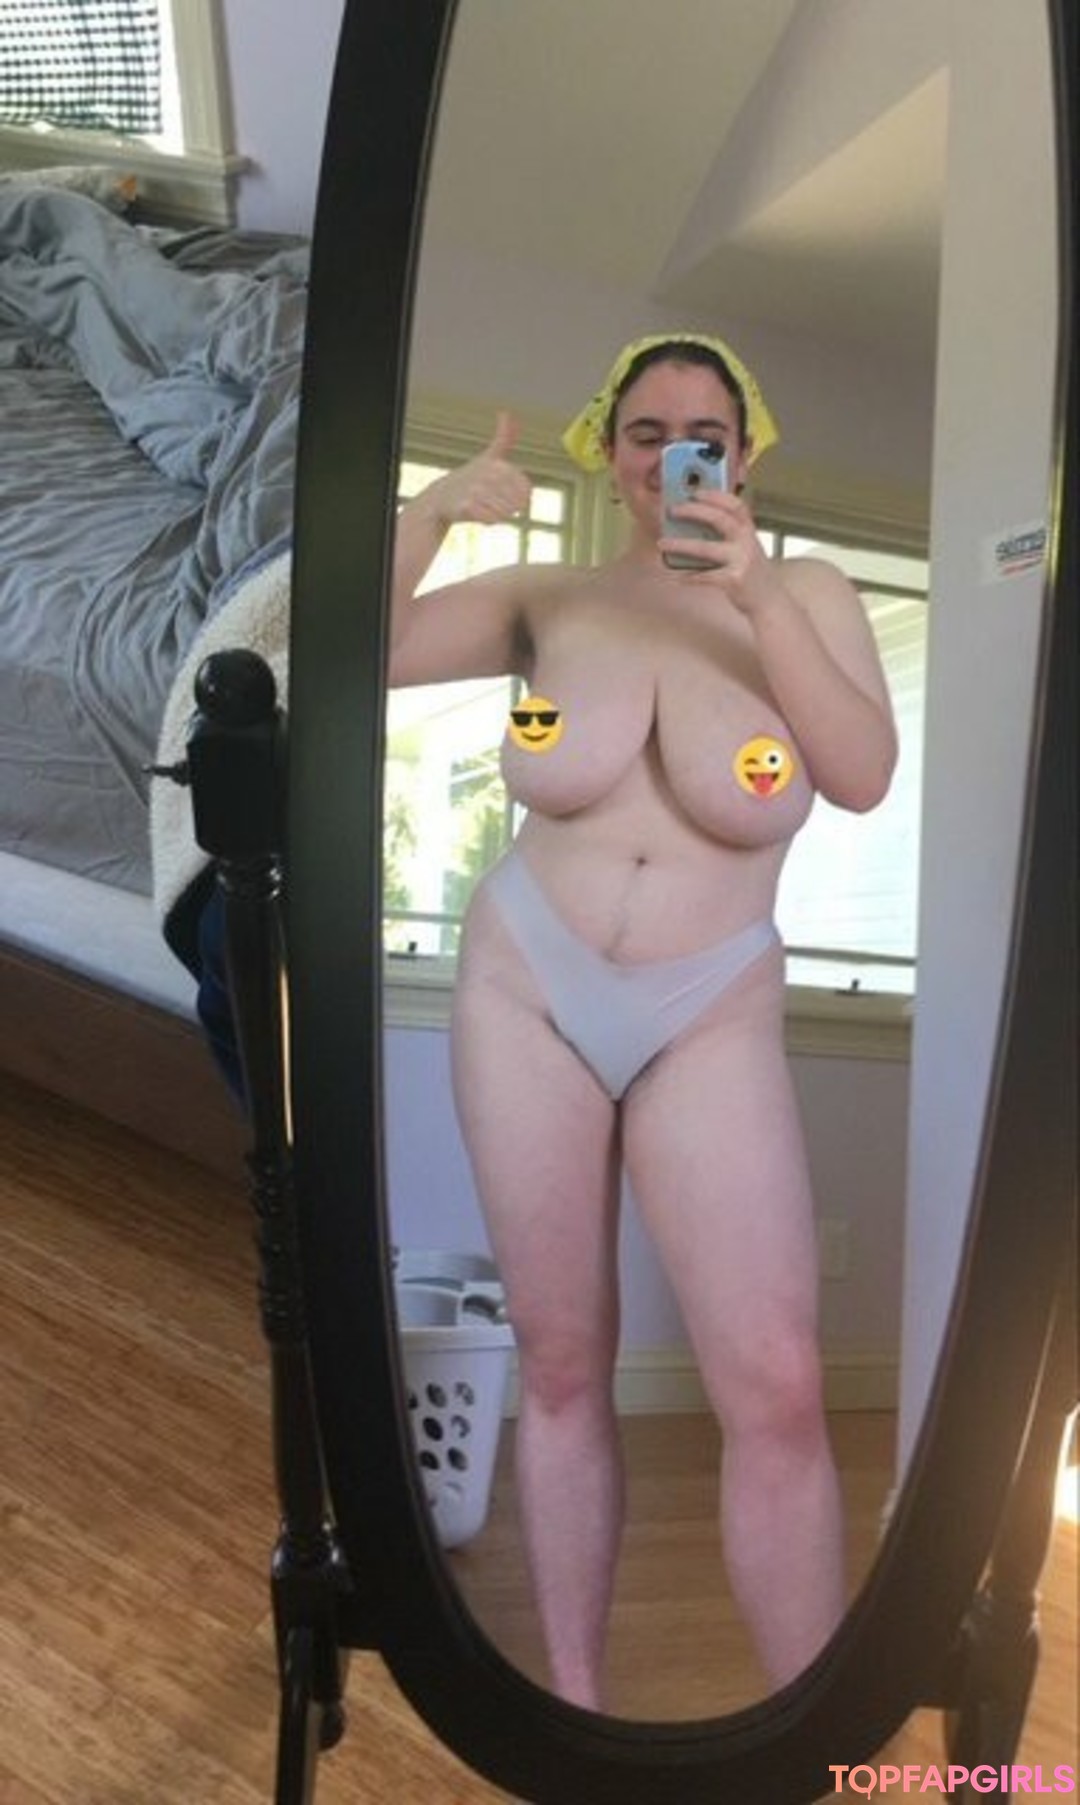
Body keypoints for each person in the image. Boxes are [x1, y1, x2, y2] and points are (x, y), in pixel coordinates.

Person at [388, 333, 897, 1711]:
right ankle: (578, 1709)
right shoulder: (550, 596)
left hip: (709, 1007)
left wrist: (757, 597)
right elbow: (361, 649)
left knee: (778, 1385)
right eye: (648, 431)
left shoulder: (807, 590)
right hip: (526, 987)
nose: (677, 454)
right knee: (561, 1363)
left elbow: (861, 773)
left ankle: (811, 1743)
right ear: (608, 454)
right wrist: (431, 513)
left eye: (705, 433)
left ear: (746, 450)